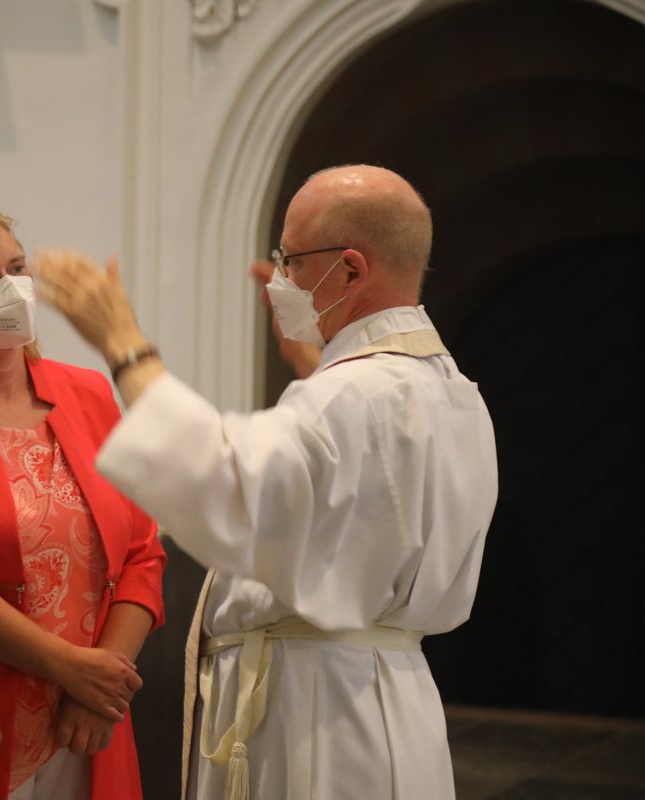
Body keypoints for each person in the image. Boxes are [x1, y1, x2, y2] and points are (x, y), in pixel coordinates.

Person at [33, 164, 498, 800]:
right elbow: (348, 494)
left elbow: (229, 486)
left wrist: (124, 344)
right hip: (384, 694)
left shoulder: (355, 396)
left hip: (316, 719)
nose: (282, 278)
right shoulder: (449, 390)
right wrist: (317, 368)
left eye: (293, 259)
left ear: (352, 271)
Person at [0, 199, 166, 800]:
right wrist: (66, 666)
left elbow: (144, 555)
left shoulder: (89, 393)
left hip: (91, 725)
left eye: (17, 269)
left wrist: (101, 685)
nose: (13, 289)